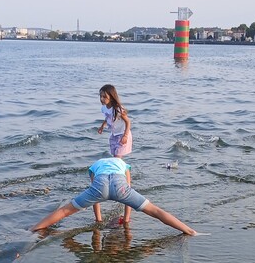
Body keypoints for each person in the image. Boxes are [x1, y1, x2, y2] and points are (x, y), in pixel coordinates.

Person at [31, 156, 196, 235]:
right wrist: (127, 219)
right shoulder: (124, 164)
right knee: (154, 211)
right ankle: (189, 231)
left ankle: (35, 229)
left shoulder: (95, 165)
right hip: (120, 186)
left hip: (100, 185)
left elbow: (95, 195)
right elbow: (129, 187)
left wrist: (99, 219)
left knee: (65, 211)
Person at [96, 84, 132, 225]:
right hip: (113, 135)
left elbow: (128, 122)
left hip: (123, 136)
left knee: (117, 160)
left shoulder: (118, 109)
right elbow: (107, 117)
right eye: (100, 96)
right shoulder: (105, 108)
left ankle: (120, 181)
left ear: (112, 96)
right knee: (115, 158)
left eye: (105, 96)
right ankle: (119, 177)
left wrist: (125, 135)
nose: (102, 99)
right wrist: (103, 125)